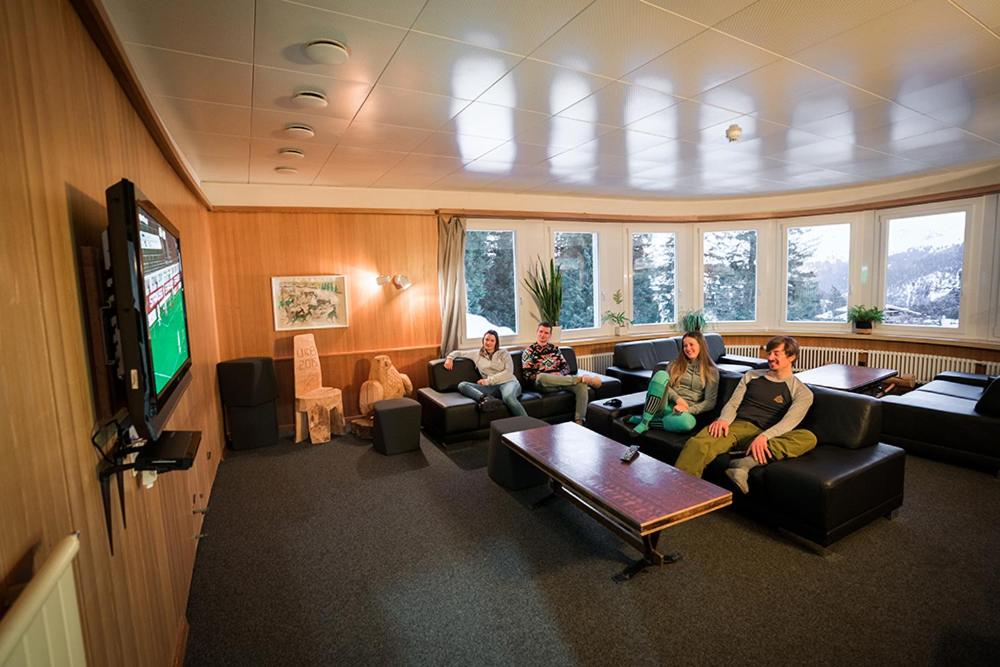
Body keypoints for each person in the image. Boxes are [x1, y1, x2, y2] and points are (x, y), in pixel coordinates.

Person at [674, 335, 817, 494]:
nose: (770, 358)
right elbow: (733, 403)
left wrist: (765, 437)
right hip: (738, 426)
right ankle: (680, 494)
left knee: (808, 437)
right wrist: (723, 420)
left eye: (776, 353)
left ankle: (745, 463)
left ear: (791, 357)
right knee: (698, 444)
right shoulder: (751, 376)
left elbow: (789, 422)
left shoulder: (802, 392)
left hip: (770, 434)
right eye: (769, 353)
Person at [626, 331, 719, 435]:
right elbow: (664, 386)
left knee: (688, 423)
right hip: (663, 405)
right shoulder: (675, 364)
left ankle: (645, 421)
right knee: (661, 374)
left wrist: (688, 410)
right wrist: (677, 399)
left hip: (682, 413)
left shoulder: (711, 371)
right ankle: (644, 421)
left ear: (701, 345)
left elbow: (710, 402)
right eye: (685, 346)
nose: (688, 348)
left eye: (691, 344)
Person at [520, 322, 601, 424]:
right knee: (541, 377)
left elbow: (566, 367)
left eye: (546, 333)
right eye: (541, 331)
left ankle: (579, 421)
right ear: (537, 332)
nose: (542, 335)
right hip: (544, 384)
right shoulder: (529, 351)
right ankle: (580, 378)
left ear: (550, 335)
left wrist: (560, 374)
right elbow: (527, 375)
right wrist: (550, 376)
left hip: (560, 381)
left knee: (582, 386)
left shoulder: (555, 349)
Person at [444, 330, 526, 417]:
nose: (488, 343)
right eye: (486, 339)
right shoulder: (476, 354)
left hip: (509, 383)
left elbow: (508, 372)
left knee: (508, 398)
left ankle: (528, 423)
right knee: (462, 385)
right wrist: (450, 358)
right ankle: (486, 399)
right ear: (483, 340)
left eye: (492, 340)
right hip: (491, 388)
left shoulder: (504, 353)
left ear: (496, 343)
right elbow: (458, 353)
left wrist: (488, 381)